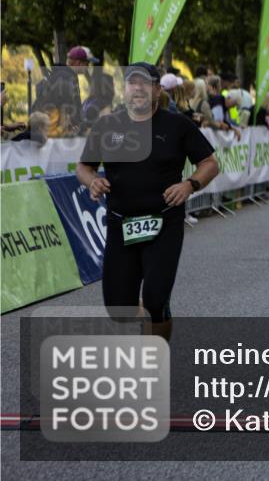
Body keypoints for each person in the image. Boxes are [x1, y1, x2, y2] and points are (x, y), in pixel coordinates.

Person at [76, 63, 219, 340]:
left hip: (164, 222)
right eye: (132, 83)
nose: (137, 89)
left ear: (156, 89)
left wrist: (189, 185)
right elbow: (83, 167)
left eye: (144, 83)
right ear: (125, 89)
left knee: (155, 299)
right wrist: (92, 181)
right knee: (119, 308)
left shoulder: (177, 125)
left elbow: (209, 163)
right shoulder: (107, 125)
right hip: (121, 225)